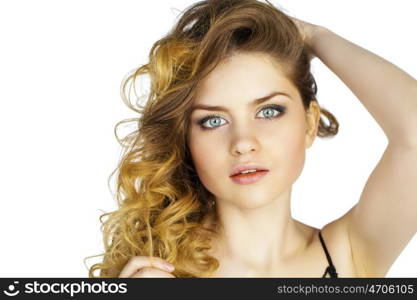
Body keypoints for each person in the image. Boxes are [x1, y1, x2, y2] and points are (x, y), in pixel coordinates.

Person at [85, 0, 417, 278]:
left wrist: (314, 36)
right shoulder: (161, 273)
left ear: (310, 124)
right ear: (187, 139)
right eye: (213, 120)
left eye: (269, 111)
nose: (243, 142)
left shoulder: (348, 256)